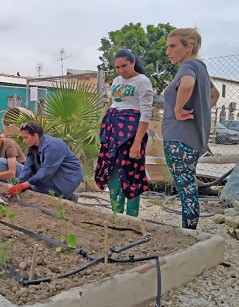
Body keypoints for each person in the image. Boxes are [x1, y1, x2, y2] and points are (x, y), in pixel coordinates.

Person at [162, 28, 219, 230]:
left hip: (179, 139)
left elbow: (186, 86)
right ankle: (191, 230)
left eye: (172, 46)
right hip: (192, 140)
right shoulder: (201, 68)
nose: (168, 51)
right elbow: (215, 94)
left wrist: (178, 110)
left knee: (186, 188)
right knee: (189, 187)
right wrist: (198, 111)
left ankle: (189, 233)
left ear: (188, 47)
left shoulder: (188, 67)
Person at [94, 49, 154, 217]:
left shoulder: (143, 81)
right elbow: (114, 103)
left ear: (133, 62)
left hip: (131, 135)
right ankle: (116, 215)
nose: (121, 70)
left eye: (124, 66)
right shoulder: (116, 80)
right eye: (118, 67)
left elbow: (146, 113)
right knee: (112, 172)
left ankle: (131, 218)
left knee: (131, 174)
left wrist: (137, 142)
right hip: (113, 133)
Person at [7, 121, 83, 200]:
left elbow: (46, 172)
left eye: (26, 137)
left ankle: (68, 196)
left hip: (67, 178)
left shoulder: (53, 146)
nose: (24, 141)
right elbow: (28, 167)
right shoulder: (33, 147)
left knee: (35, 187)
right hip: (52, 176)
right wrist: (19, 183)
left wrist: (23, 186)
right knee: (30, 186)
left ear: (35, 135)